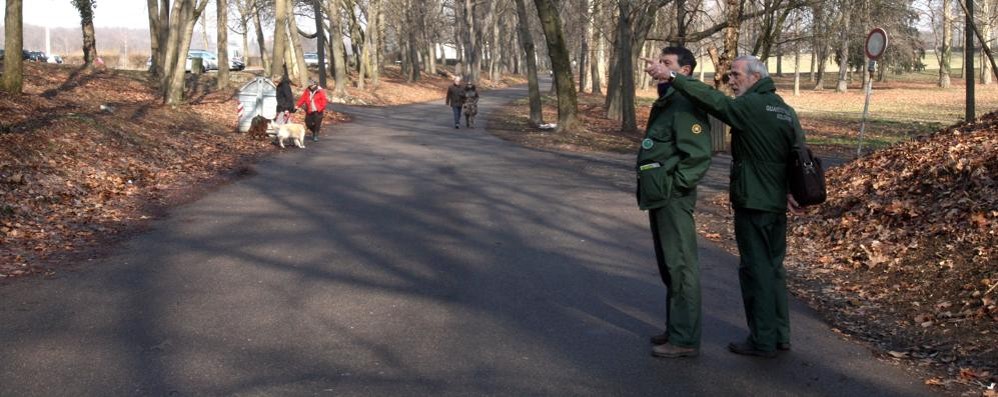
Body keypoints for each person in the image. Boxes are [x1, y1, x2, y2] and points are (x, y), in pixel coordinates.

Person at [652, 55, 800, 358]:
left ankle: (762, 340)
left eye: (735, 75)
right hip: (775, 201)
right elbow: (797, 152)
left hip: (754, 199)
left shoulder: (751, 106)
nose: (730, 81)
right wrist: (790, 189)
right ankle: (780, 334)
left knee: (755, 269)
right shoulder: (785, 110)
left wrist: (675, 78)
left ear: (755, 78)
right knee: (773, 269)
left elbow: (715, 103)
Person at [637, 47, 713, 359]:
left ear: (686, 72)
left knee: (681, 266)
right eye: (659, 61)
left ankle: (684, 339)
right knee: (670, 265)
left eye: (667, 63)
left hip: (673, 197)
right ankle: (676, 328)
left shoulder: (684, 103)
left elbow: (697, 156)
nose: (658, 66)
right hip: (660, 195)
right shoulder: (668, 100)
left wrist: (674, 186)